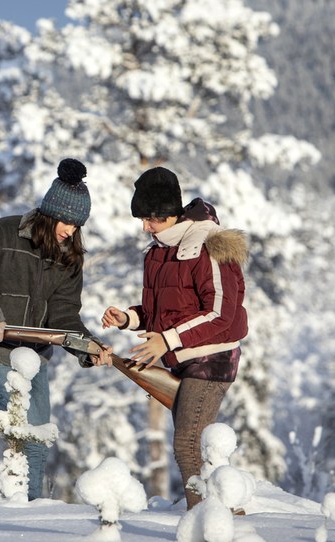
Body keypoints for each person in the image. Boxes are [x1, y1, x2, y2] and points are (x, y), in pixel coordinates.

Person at [0, 158, 112, 501]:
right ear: (50, 212)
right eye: (66, 220)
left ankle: (29, 509)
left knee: (38, 441)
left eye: (77, 224)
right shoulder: (2, 233)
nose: (71, 229)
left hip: (33, 356)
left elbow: (64, 315)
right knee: (23, 434)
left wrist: (88, 347)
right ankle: (19, 509)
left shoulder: (70, 258)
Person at [101, 166, 249, 510]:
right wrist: (129, 318)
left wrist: (165, 341)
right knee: (197, 446)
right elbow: (166, 309)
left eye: (149, 219)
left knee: (188, 445)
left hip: (213, 358)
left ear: (167, 213)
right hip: (182, 358)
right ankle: (223, 510)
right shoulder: (158, 252)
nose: (144, 227)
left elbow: (219, 313)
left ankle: (206, 518)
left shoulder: (209, 245)